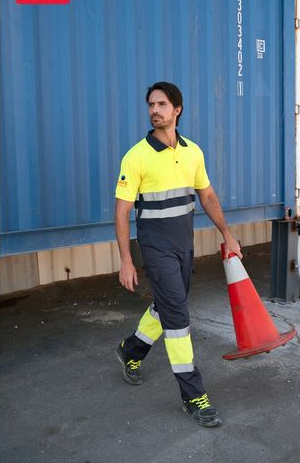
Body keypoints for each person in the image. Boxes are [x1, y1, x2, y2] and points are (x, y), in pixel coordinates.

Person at [114, 81, 242, 428]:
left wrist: (227, 234)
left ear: (177, 109)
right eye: (150, 105)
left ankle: (130, 350)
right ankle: (194, 395)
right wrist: (126, 259)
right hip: (156, 250)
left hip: (184, 246)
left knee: (167, 306)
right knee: (177, 319)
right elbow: (122, 212)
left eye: (161, 104)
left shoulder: (193, 152)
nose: (154, 110)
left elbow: (208, 196)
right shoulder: (136, 156)